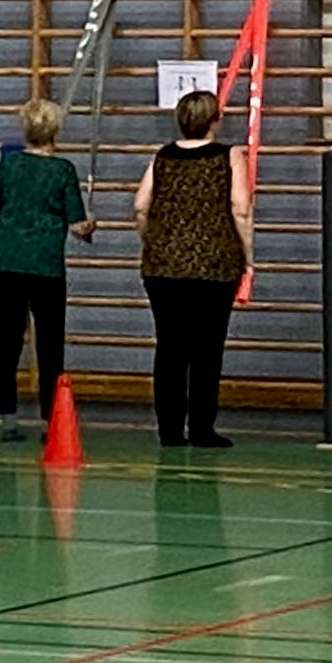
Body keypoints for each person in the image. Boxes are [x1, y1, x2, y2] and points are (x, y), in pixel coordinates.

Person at [133, 89, 251, 448]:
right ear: (215, 120)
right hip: (214, 264)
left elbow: (140, 205)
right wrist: (249, 257)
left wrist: (153, 241)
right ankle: (201, 428)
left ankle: (169, 430)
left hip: (163, 267)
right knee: (206, 350)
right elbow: (240, 208)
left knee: (169, 348)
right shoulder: (229, 156)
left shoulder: (163, 156)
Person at [0, 98, 96, 442]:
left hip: (9, 263)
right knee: (49, 345)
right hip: (46, 267)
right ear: (55, 130)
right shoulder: (63, 170)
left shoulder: (9, 164)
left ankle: (8, 418)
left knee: (8, 341)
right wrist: (90, 225)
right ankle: (51, 419)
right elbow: (77, 226)